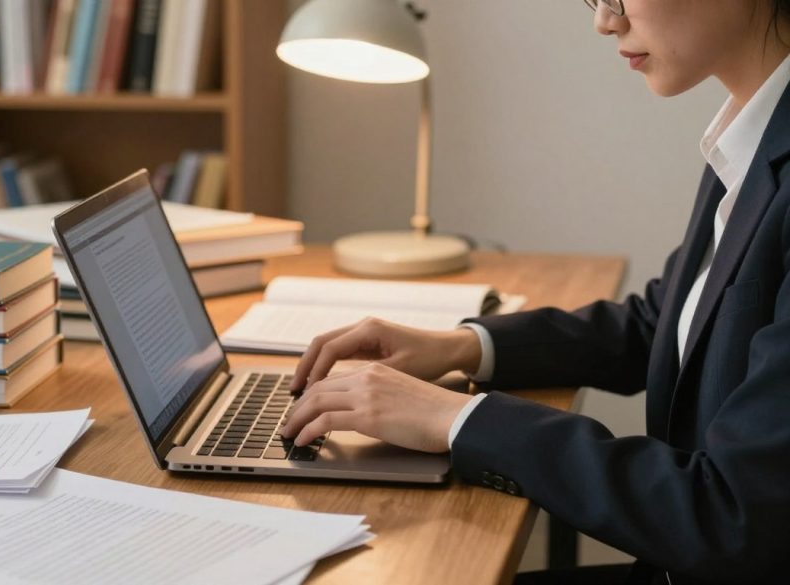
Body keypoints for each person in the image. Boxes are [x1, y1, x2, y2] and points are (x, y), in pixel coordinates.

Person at [280, 1, 790, 583]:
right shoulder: (754, 131)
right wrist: (461, 348)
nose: (606, 21)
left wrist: (459, 418)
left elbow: (732, 517)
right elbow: (663, 322)